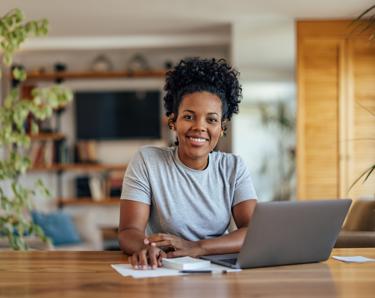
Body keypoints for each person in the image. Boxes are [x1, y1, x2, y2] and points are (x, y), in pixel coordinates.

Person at [118, 57, 257, 269]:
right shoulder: (147, 161)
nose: (199, 127)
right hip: (165, 267)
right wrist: (144, 247)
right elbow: (129, 231)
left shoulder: (234, 168)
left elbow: (253, 232)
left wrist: (197, 247)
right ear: (173, 121)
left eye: (211, 120)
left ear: (222, 128)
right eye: (189, 117)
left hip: (218, 269)